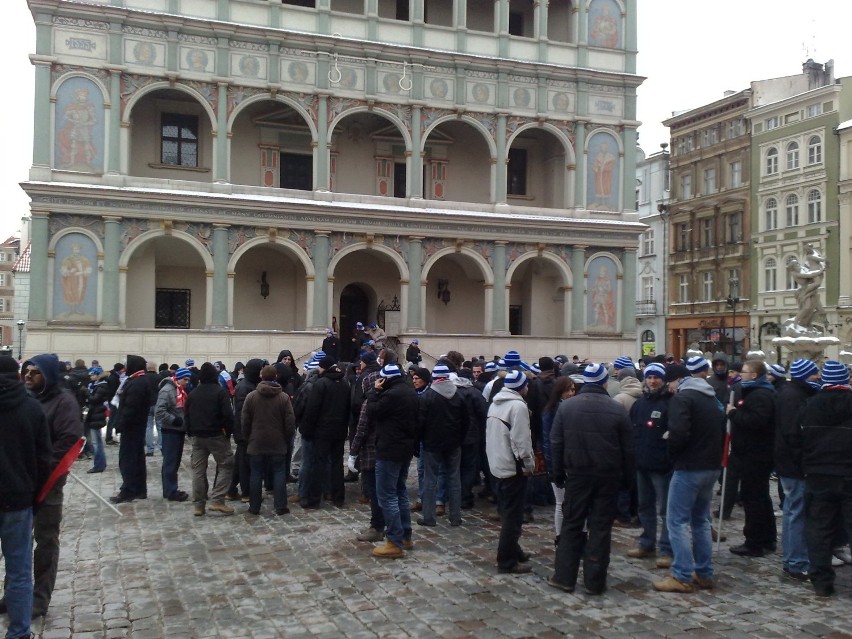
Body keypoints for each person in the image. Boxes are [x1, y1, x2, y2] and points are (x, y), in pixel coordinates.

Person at [548, 363, 633, 595]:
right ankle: (595, 581)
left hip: (577, 475)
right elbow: (628, 449)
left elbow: (556, 442)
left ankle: (564, 577)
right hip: (608, 477)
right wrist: (627, 480)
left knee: (572, 524)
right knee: (600, 527)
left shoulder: (567, 408)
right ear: (605, 382)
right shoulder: (616, 409)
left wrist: (557, 472)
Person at [653, 359, 724, 593]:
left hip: (689, 467)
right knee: (701, 521)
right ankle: (703, 572)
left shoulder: (682, 398)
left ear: (677, 380)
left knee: (677, 521)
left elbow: (679, 433)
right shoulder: (711, 398)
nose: (668, 388)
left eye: (668, 383)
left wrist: (672, 453)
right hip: (711, 466)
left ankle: (682, 574)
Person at [21, 353, 83, 618]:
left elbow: (69, 438)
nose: (27, 376)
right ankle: (15, 592)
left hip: (48, 481)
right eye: (26, 371)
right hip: (21, 481)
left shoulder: (63, 401)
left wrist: (42, 465)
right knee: (18, 541)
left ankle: (40, 597)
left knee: (45, 540)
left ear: (47, 375)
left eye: (34, 372)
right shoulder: (25, 400)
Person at [0, 356, 51, 638]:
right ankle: (19, 632)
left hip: (16, 498)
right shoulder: (31, 408)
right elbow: (43, 459)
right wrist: (36, 497)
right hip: (18, 500)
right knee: (19, 572)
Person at [794, 360, 852, 597]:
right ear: (846, 381)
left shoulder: (809, 406)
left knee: (818, 528)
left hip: (818, 474)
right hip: (849, 473)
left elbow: (798, 441)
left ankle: (822, 581)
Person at [366, 363, 419, 558]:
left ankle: (394, 541)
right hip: (405, 448)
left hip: (389, 449)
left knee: (387, 496)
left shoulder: (390, 395)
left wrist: (374, 391)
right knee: (400, 492)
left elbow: (372, 411)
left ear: (384, 379)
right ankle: (405, 535)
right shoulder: (410, 392)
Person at [485, 369, 535, 574]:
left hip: (497, 462)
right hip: (513, 466)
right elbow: (521, 441)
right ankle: (506, 560)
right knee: (513, 516)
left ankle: (515, 550)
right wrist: (529, 465)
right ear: (521, 387)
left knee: (508, 510)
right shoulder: (518, 406)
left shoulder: (495, 403)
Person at [774, 358, 820, 581]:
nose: (817, 377)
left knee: (792, 511)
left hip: (788, 461)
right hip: (794, 464)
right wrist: (804, 461)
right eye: (814, 374)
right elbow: (793, 433)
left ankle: (791, 559)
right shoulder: (794, 397)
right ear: (804, 375)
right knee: (797, 512)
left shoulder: (790, 393)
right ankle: (797, 562)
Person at [727, 359, 777, 558]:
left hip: (755, 455)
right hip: (755, 453)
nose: (741, 374)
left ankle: (754, 542)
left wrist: (734, 414)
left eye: (745, 372)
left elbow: (756, 422)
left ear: (754, 375)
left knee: (753, 498)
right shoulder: (759, 392)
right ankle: (767, 538)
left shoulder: (761, 395)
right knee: (761, 497)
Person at [626, 363, 673, 567]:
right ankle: (647, 542)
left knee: (665, 510)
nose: (653, 381)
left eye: (657, 377)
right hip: (642, 463)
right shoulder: (640, 404)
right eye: (650, 377)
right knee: (645, 507)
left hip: (662, 466)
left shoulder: (670, 403)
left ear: (663, 379)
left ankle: (666, 549)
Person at [417, 363, 468, 527]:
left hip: (432, 444)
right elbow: (466, 422)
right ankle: (455, 516)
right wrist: (460, 438)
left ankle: (428, 517)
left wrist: (420, 440)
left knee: (430, 480)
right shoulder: (459, 395)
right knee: (454, 479)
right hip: (454, 443)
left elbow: (420, 422)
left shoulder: (428, 396)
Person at [241, 365, 296, 516]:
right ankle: (280, 506)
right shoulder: (283, 397)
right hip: (278, 441)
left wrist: (247, 437)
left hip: (256, 441)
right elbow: (290, 422)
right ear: (276, 376)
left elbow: (245, 420)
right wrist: (286, 438)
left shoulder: (251, 396)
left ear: (261, 376)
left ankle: (254, 506)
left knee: (256, 474)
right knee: (279, 473)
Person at [185, 362, 236, 516]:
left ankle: (198, 505)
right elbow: (228, 415)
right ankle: (218, 500)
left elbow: (186, 414)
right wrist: (228, 432)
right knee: (227, 465)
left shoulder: (193, 393)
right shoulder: (220, 392)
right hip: (216, 435)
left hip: (197, 436)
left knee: (198, 471)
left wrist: (189, 432)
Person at [300, 356, 351, 508]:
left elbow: (313, 409)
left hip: (322, 431)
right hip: (339, 430)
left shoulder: (321, 383)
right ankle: (338, 497)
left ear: (324, 368)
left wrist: (307, 429)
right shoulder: (345, 383)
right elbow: (347, 408)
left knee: (318, 464)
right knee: (337, 464)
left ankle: (314, 499)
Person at [110, 355, 153, 504]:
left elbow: (131, 407)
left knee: (128, 460)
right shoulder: (137, 380)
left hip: (132, 427)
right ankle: (139, 489)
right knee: (136, 458)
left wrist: (120, 424)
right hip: (135, 426)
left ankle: (128, 490)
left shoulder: (137, 383)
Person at [155, 367, 192, 502]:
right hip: (171, 430)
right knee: (170, 461)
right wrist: (173, 420)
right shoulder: (167, 390)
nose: (187, 382)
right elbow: (159, 412)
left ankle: (170, 489)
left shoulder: (180, 390)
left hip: (179, 430)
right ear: (178, 378)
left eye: (188, 379)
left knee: (175, 462)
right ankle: (171, 490)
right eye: (185, 379)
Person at [83, 366, 109, 474]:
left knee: (96, 442)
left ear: (98, 375)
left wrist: (87, 393)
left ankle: (99, 465)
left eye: (92, 375)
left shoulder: (101, 386)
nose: (91, 376)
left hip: (96, 416)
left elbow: (95, 399)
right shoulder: (96, 386)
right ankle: (100, 464)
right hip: (95, 415)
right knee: (97, 441)